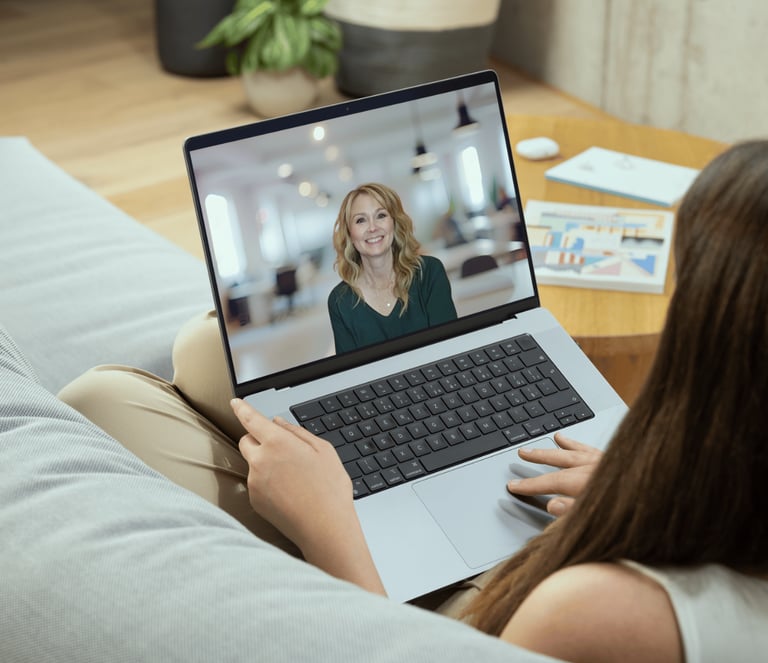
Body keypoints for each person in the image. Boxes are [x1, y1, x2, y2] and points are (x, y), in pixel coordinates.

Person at [59, 142, 768, 661]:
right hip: (553, 523)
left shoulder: (600, 614)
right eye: (358, 221)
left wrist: (329, 526)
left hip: (435, 610)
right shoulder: (343, 297)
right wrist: (637, 490)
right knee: (205, 351)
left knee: (103, 400)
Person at [327, 183, 457, 354]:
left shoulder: (429, 272)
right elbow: (351, 373)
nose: (373, 227)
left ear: (394, 223)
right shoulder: (340, 301)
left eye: (381, 215)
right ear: (350, 233)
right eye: (360, 220)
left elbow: (450, 348)